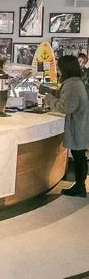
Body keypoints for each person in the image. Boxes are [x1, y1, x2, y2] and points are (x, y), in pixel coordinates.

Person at [45, 55, 89, 197]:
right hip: (80, 124)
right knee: (80, 156)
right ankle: (80, 186)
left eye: (59, 67)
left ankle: (80, 187)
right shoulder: (76, 82)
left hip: (78, 126)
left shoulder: (72, 85)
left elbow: (66, 107)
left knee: (79, 156)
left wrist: (49, 99)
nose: (58, 70)